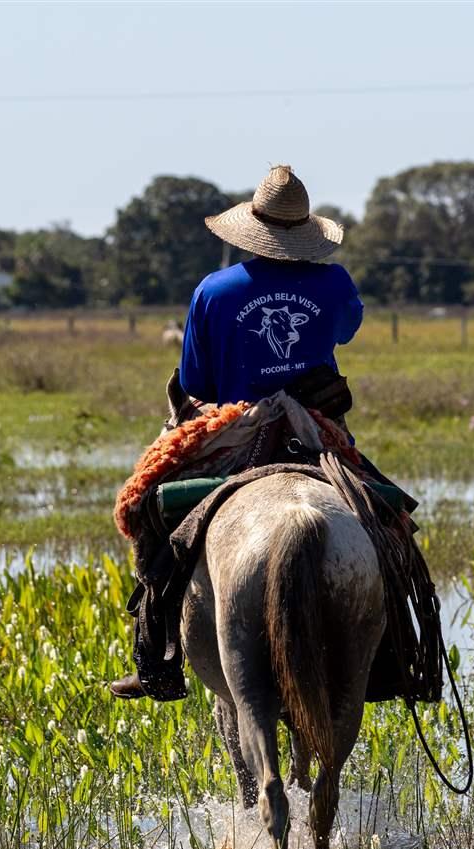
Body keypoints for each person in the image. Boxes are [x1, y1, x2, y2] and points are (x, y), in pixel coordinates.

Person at [108, 164, 364, 700]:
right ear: (306, 232)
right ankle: (402, 650)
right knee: (385, 517)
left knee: (150, 508)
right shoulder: (335, 282)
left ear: (252, 226)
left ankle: (154, 657)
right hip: (313, 433)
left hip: (232, 432)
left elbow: (195, 384)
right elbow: (346, 328)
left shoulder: (213, 291)